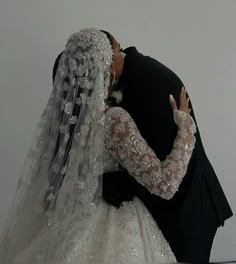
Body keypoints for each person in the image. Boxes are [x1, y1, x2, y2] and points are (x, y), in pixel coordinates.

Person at [0, 28, 196, 264]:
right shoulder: (112, 121)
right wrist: (185, 127)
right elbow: (165, 184)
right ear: (106, 69)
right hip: (115, 224)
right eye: (113, 57)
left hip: (68, 220)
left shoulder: (63, 121)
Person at [102, 43, 233, 263]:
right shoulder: (122, 97)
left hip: (187, 210)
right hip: (153, 209)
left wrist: (186, 126)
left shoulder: (148, 82)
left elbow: (164, 178)